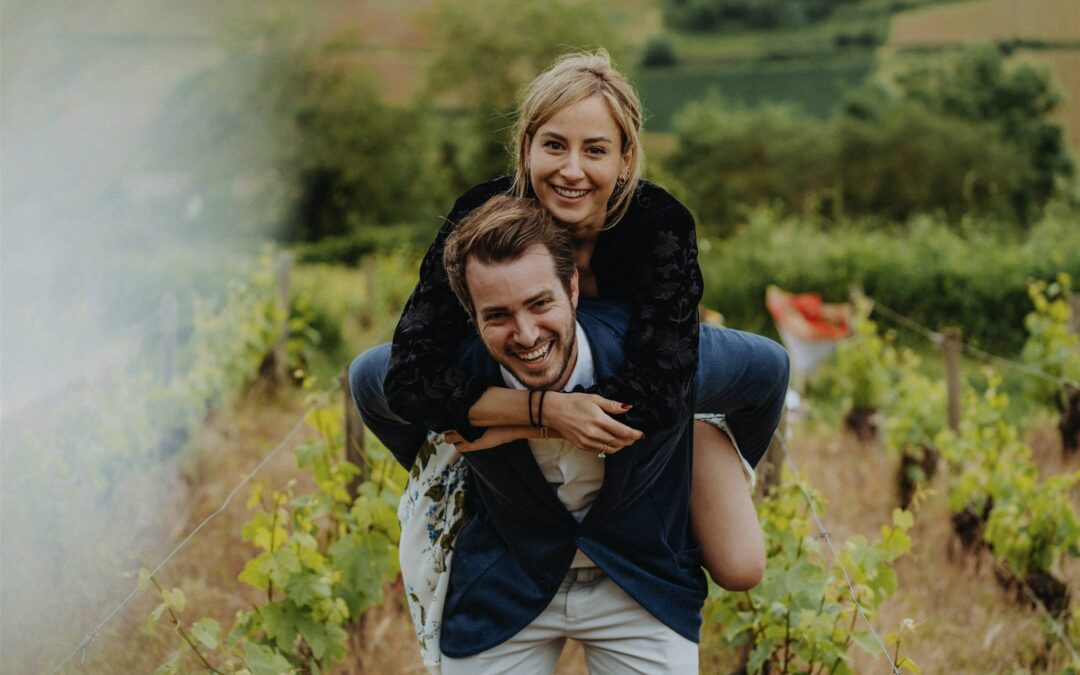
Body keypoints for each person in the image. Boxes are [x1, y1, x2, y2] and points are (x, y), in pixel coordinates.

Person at [351, 48, 788, 589]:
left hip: (643, 368)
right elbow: (410, 376)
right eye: (554, 145)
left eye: (595, 150)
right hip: (524, 369)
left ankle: (678, 468)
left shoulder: (660, 223)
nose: (571, 170)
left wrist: (506, 425)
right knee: (368, 373)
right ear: (526, 147)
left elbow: (657, 390)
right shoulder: (480, 215)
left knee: (740, 562)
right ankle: (477, 475)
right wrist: (542, 414)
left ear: (625, 159)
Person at [431, 194, 705, 672]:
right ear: (469, 314)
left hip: (640, 582)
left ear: (573, 288)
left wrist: (718, 456)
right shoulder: (444, 377)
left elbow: (767, 372)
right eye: (496, 315)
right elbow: (373, 389)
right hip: (504, 586)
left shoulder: (653, 352)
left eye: (540, 304)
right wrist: (541, 414)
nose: (527, 334)